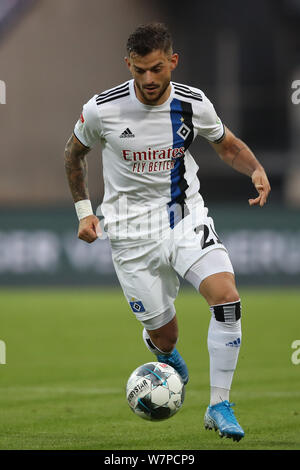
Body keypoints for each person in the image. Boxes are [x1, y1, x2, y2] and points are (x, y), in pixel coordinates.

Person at [64, 23, 270, 441]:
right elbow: (73, 154)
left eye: (157, 68)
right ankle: (165, 351)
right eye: (140, 70)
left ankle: (219, 405)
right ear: (129, 66)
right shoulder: (102, 109)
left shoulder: (193, 104)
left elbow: (225, 143)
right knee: (165, 333)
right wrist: (84, 212)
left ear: (172, 61)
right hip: (129, 230)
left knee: (226, 298)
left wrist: (256, 169)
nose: (149, 80)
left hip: (184, 216)